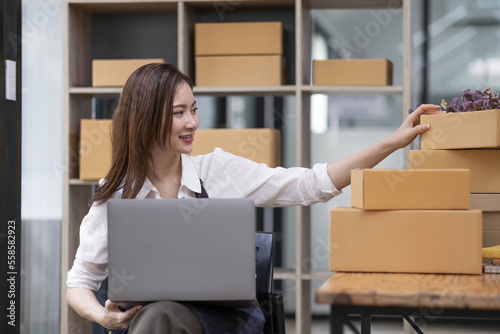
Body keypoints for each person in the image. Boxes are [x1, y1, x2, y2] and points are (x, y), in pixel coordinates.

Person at [66, 63, 442, 333]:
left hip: (228, 321)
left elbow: (310, 183)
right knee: (157, 317)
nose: (193, 122)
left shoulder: (218, 170)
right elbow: (79, 282)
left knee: (157, 321)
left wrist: (390, 144)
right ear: (145, 119)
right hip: (154, 319)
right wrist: (102, 316)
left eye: (194, 109)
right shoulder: (115, 193)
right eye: (179, 113)